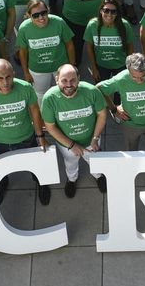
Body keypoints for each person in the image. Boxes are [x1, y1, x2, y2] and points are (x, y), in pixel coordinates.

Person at [0, 57, 51, 205]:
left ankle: (42, 184)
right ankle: (2, 185)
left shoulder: (25, 88)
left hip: (26, 138)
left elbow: (35, 111)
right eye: (0, 78)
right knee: (0, 171)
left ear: (13, 74)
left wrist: (40, 136)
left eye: (8, 77)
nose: (5, 82)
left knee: (35, 166)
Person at [42, 63, 110, 197]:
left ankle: (98, 175)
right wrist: (71, 145)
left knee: (94, 160)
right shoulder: (49, 98)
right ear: (56, 80)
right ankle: (72, 179)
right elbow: (50, 127)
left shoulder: (91, 91)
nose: (69, 84)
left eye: (73, 80)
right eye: (64, 81)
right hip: (67, 144)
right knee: (70, 163)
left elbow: (102, 114)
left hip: (91, 139)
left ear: (78, 78)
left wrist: (95, 138)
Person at [16, 0, 76, 97]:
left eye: (44, 13)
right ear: (28, 15)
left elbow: (69, 44)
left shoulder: (59, 22)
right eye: (35, 15)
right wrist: (26, 72)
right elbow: (23, 52)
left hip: (60, 66)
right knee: (40, 93)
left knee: (65, 92)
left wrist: (72, 66)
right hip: (37, 69)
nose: (41, 18)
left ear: (48, 10)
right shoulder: (24, 28)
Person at [84, 0, 134, 82]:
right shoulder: (92, 25)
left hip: (121, 66)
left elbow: (130, 46)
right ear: (101, 11)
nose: (109, 14)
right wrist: (94, 68)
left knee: (120, 94)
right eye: (106, 11)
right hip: (101, 66)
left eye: (113, 11)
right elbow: (89, 47)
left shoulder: (125, 25)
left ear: (117, 13)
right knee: (101, 93)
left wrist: (128, 67)